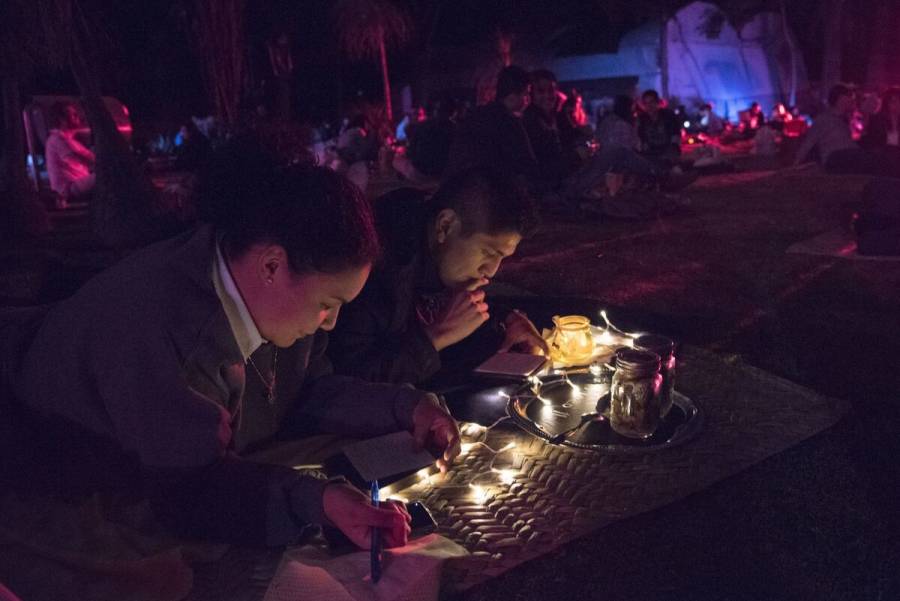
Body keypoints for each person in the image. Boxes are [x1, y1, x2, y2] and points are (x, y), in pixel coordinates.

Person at [6, 139, 460, 548]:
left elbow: (301, 392)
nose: (330, 324)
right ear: (271, 266)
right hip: (51, 485)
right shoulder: (165, 331)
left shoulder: (263, 296)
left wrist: (407, 407)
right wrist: (319, 501)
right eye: (328, 303)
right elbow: (191, 494)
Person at [327, 168, 548, 386]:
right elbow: (348, 378)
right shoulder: (377, 267)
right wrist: (435, 338)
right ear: (446, 225)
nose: (491, 270)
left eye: (502, 258)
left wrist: (505, 322)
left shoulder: (448, 260)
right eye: (489, 253)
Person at [445, 66, 538, 184]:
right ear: (512, 97)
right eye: (526, 94)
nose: (528, 100)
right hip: (486, 194)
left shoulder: (475, 115)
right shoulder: (510, 123)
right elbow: (529, 166)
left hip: (455, 190)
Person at [794, 84, 863, 172]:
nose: (852, 101)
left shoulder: (844, 121)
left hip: (849, 155)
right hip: (835, 158)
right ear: (841, 99)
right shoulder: (823, 119)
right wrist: (796, 163)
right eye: (849, 97)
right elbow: (809, 142)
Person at [44, 101, 95, 207]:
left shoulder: (70, 141)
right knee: (106, 175)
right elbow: (75, 157)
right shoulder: (56, 139)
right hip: (68, 189)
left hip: (77, 184)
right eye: (74, 114)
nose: (79, 117)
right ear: (62, 119)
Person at [636, 89, 682, 165]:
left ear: (657, 102)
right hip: (651, 154)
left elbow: (675, 135)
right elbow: (641, 139)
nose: (649, 106)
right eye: (646, 103)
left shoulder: (668, 116)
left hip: (668, 152)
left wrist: (673, 149)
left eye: (652, 102)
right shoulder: (642, 119)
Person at [861, 87, 900, 151]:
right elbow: (872, 143)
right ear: (887, 103)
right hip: (881, 157)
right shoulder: (877, 120)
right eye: (894, 101)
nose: (898, 104)